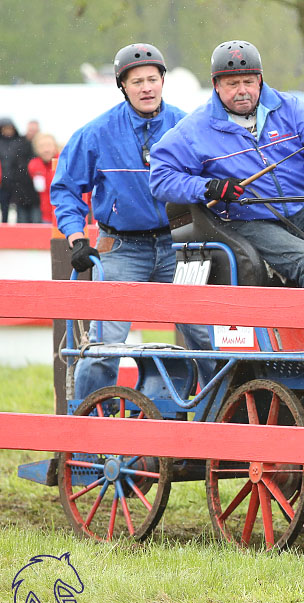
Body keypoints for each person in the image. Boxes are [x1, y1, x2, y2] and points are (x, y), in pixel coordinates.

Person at [50, 43, 212, 401]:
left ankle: (219, 425)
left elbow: (215, 178)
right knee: (105, 344)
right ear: (122, 86)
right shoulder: (97, 133)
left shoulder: (187, 127)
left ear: (163, 81)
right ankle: (87, 426)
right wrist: (77, 238)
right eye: (137, 81)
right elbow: (64, 189)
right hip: (122, 248)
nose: (146, 87)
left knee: (206, 335)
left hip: (179, 245)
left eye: (152, 79)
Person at [150, 40, 304, 291]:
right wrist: (209, 187)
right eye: (232, 83)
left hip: (299, 212)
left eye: (248, 82)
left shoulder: (288, 108)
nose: (242, 90)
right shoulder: (194, 129)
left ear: (259, 80)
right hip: (247, 221)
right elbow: (161, 178)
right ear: (216, 85)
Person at [0, 117, 41, 223]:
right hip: (9, 182)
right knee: (7, 211)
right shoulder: (20, 143)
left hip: (28, 185)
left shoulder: (31, 144)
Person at [27, 132, 59, 224]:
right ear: (36, 149)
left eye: (49, 145)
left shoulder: (64, 162)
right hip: (46, 215)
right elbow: (40, 188)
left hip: (67, 214)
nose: (46, 150)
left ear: (55, 146)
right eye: (41, 146)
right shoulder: (34, 165)